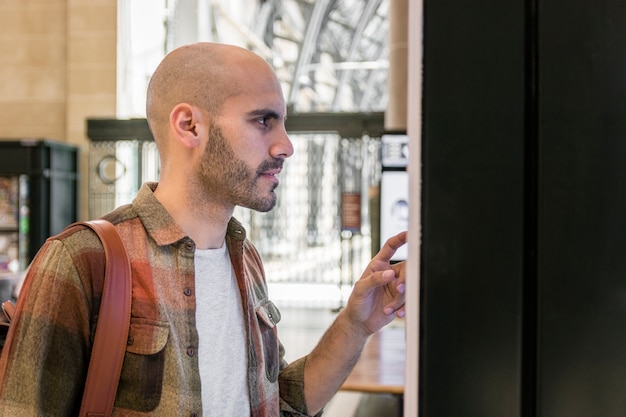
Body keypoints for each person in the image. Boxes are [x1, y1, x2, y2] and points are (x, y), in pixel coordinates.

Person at [0, 42, 407, 416]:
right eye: (264, 121)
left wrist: (356, 325)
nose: (286, 145)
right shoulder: (83, 260)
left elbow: (279, 403)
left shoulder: (243, 257)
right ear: (190, 126)